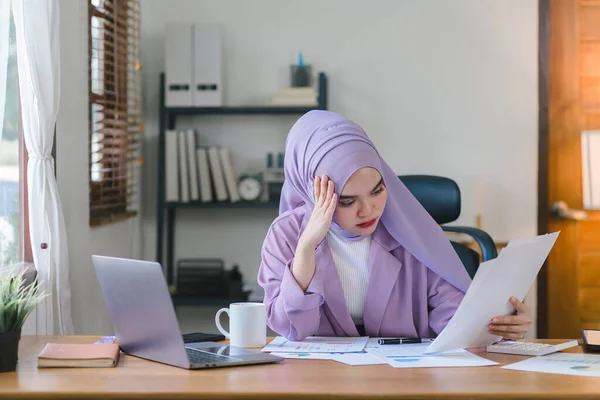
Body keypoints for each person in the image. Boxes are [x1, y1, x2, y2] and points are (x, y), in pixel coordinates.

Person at [257, 110, 531, 341]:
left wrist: (500, 326)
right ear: (310, 191)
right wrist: (306, 249)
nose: (368, 210)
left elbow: (456, 318)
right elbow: (290, 327)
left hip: (403, 378)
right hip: (318, 380)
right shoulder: (286, 235)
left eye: (377, 191)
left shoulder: (407, 230)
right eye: (348, 201)